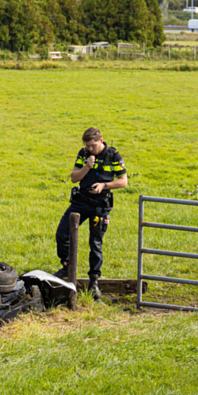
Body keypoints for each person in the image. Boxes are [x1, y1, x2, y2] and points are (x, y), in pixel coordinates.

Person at [54, 127, 128, 300]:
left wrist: (104, 185)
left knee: (95, 244)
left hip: (100, 205)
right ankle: (66, 266)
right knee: (62, 234)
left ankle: (94, 281)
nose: (90, 149)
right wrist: (87, 166)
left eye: (93, 145)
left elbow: (123, 181)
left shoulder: (113, 156)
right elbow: (74, 177)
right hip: (80, 202)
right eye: (88, 146)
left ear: (101, 141)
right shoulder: (84, 154)